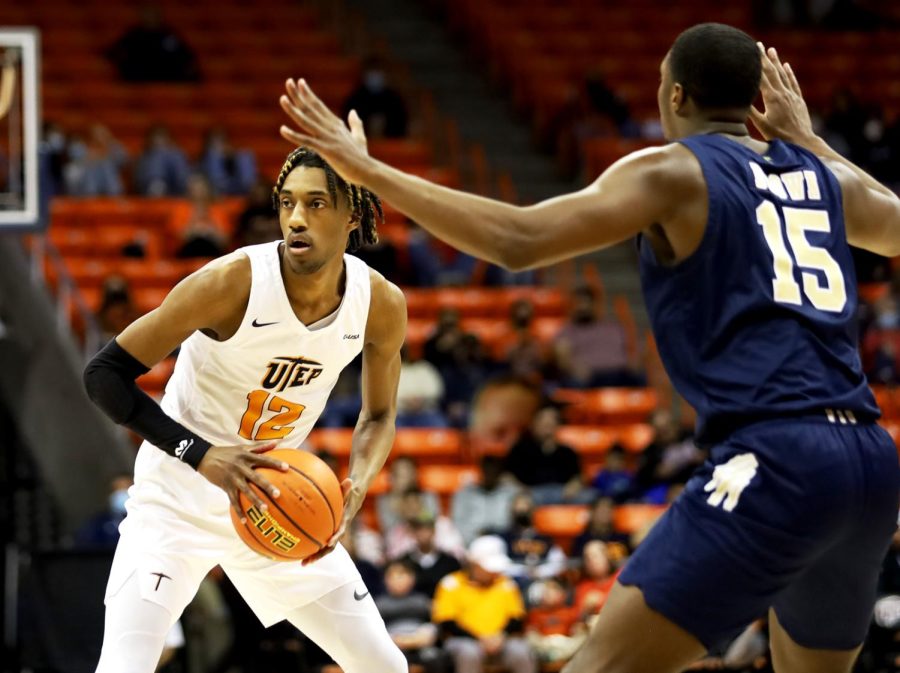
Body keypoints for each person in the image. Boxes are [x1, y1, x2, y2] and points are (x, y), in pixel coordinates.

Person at [281, 21, 900, 673]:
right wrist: (807, 140)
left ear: (677, 97)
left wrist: (368, 170)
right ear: (755, 104)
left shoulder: (675, 170)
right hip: (868, 461)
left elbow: (518, 240)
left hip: (776, 458)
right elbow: (892, 229)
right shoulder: (822, 178)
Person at [82, 146, 409, 673]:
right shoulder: (232, 283)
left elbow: (377, 416)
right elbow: (103, 375)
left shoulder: (380, 302)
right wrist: (203, 455)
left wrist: (360, 481)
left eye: (317, 204)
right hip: (177, 499)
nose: (297, 219)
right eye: (287, 203)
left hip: (274, 503)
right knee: (125, 666)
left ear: (352, 215)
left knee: (385, 666)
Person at [432, 536, 537, 673]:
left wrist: (500, 636)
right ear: (474, 564)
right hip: (464, 640)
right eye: (488, 568)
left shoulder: (505, 583)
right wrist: (479, 638)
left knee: (521, 651)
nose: (494, 572)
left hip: (501, 640)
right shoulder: (450, 584)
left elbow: (516, 617)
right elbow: (446, 622)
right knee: (469, 653)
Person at [376, 559, 452, 673]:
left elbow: (434, 625)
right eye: (393, 575)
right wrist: (396, 640)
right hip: (391, 645)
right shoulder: (378, 604)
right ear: (385, 579)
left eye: (402, 575)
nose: (398, 579)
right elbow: (373, 630)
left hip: (421, 645)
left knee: (435, 657)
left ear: (412, 578)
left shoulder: (423, 601)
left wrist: (424, 636)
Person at [503, 405, 589, 505]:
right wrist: (521, 489)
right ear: (534, 424)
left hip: (563, 494)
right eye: (543, 422)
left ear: (558, 425)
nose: (547, 426)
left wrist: (574, 486)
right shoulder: (520, 450)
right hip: (531, 494)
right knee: (518, 503)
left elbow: (578, 477)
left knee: (591, 496)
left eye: (551, 423)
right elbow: (506, 476)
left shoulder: (568, 452)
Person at [451, 455, 519, 545]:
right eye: (487, 470)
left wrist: (513, 480)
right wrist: (473, 538)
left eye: (493, 470)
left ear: (499, 472)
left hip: (503, 541)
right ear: (481, 470)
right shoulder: (465, 494)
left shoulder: (510, 493)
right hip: (473, 542)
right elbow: (457, 524)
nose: (490, 473)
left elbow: (524, 509)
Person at [397, 511, 462, 597]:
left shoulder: (450, 562)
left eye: (427, 529)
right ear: (412, 533)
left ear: (434, 531)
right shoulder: (403, 562)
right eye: (418, 530)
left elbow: (458, 588)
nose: (423, 534)